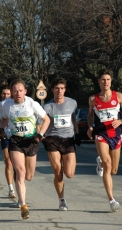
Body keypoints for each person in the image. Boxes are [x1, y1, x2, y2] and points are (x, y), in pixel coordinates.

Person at [0, 78, 50, 219]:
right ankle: (23, 205)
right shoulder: (6, 105)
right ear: (12, 93)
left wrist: (40, 135)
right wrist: (1, 129)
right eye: (15, 91)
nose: (18, 93)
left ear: (25, 91)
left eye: (20, 91)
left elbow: (47, 120)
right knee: (20, 172)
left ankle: (21, 192)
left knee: (29, 176)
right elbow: (4, 118)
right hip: (16, 140)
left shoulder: (32, 104)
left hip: (31, 140)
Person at [87, 69, 122, 212]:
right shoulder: (93, 99)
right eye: (103, 80)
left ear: (111, 81)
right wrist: (89, 127)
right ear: (99, 82)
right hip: (101, 134)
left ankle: (100, 162)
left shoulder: (119, 97)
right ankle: (112, 200)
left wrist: (120, 121)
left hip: (116, 135)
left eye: (108, 79)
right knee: (107, 165)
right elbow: (89, 116)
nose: (105, 82)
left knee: (113, 170)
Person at [42, 78, 81, 211]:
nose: (59, 91)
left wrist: (78, 134)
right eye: (57, 88)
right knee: (58, 173)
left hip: (68, 139)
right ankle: (62, 200)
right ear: (52, 89)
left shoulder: (72, 103)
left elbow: (74, 119)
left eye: (62, 88)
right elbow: (41, 123)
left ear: (65, 89)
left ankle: (66, 164)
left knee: (69, 174)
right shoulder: (47, 106)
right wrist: (39, 135)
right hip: (52, 139)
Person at [0, 84, 16, 199]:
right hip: (5, 135)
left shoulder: (15, 104)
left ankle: (18, 185)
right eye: (4, 93)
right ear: (0, 94)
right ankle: (11, 188)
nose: (6, 96)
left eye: (8, 93)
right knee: (8, 162)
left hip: (17, 135)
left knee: (18, 165)